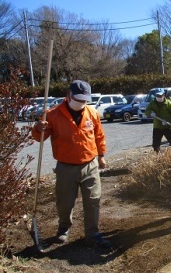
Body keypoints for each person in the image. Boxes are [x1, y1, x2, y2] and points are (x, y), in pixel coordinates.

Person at [31, 80, 111, 250]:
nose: (81, 103)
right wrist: (39, 128)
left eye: (84, 100)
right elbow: (39, 138)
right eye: (78, 99)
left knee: (93, 200)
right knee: (65, 202)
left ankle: (93, 234)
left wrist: (101, 156)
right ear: (69, 96)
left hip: (90, 164)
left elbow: (99, 136)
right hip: (66, 166)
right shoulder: (52, 115)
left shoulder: (92, 113)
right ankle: (64, 227)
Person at [145, 88, 171, 153]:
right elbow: (147, 111)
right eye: (157, 96)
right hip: (157, 127)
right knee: (155, 145)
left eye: (160, 96)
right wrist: (150, 113)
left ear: (164, 95)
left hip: (167, 127)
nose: (159, 97)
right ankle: (158, 156)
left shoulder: (168, 103)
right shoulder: (152, 102)